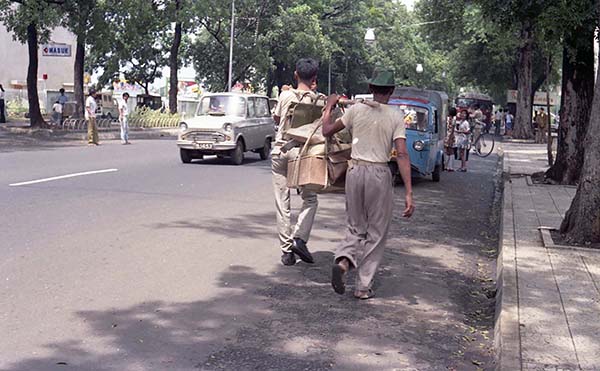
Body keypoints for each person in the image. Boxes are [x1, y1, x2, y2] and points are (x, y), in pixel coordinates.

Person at [322, 67, 415, 299]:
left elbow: (327, 131)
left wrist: (329, 108)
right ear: (391, 91)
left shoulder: (355, 110)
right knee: (376, 231)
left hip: (354, 171)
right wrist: (409, 193)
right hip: (378, 173)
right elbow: (402, 154)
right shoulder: (395, 116)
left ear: (371, 89)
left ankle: (344, 261)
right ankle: (363, 286)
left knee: (355, 226)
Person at [272, 58, 322, 266]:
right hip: (301, 154)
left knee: (282, 202)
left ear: (295, 74)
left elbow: (277, 119)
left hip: (279, 152)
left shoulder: (284, 95)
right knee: (310, 198)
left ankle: (286, 251)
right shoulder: (319, 100)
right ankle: (299, 238)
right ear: (314, 79)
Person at [444, 107, 457, 171]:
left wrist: (450, 138)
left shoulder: (454, 119)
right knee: (446, 150)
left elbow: (452, 129)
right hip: (447, 134)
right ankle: (446, 165)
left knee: (451, 150)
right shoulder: (448, 118)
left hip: (450, 135)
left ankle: (451, 166)